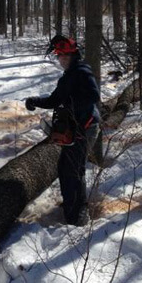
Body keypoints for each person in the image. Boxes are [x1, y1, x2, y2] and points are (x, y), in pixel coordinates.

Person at [25, 35, 100, 226]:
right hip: (76, 128)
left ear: (73, 55)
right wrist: (35, 101)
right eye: (59, 56)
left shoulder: (82, 71)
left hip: (86, 127)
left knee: (73, 170)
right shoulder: (68, 76)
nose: (61, 59)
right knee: (66, 168)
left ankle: (78, 215)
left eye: (64, 56)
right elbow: (54, 100)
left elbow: (93, 95)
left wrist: (72, 108)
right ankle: (72, 206)